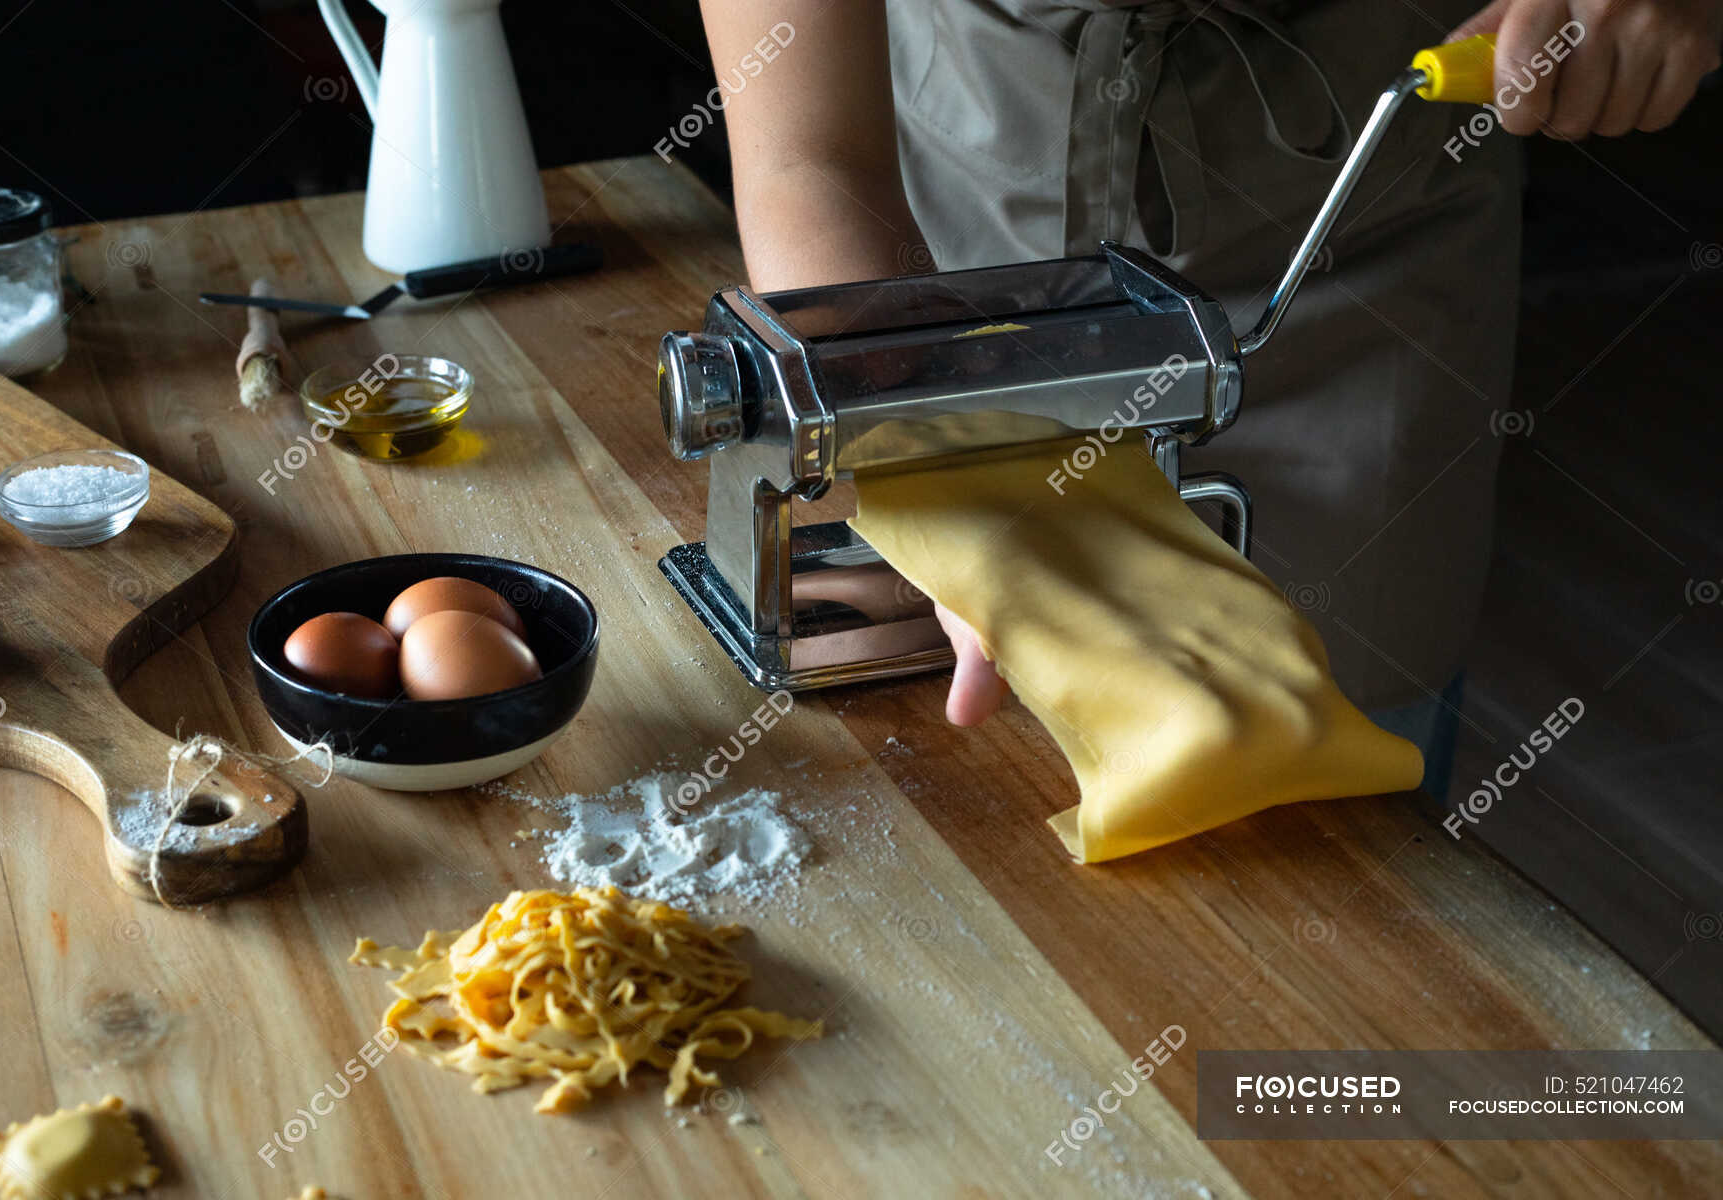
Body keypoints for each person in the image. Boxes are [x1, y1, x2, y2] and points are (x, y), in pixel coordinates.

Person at [693, 0, 1721, 792]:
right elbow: (810, 156)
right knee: (990, 797)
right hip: (967, 242)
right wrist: (925, 455)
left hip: (1359, 219)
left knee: (1340, 844)